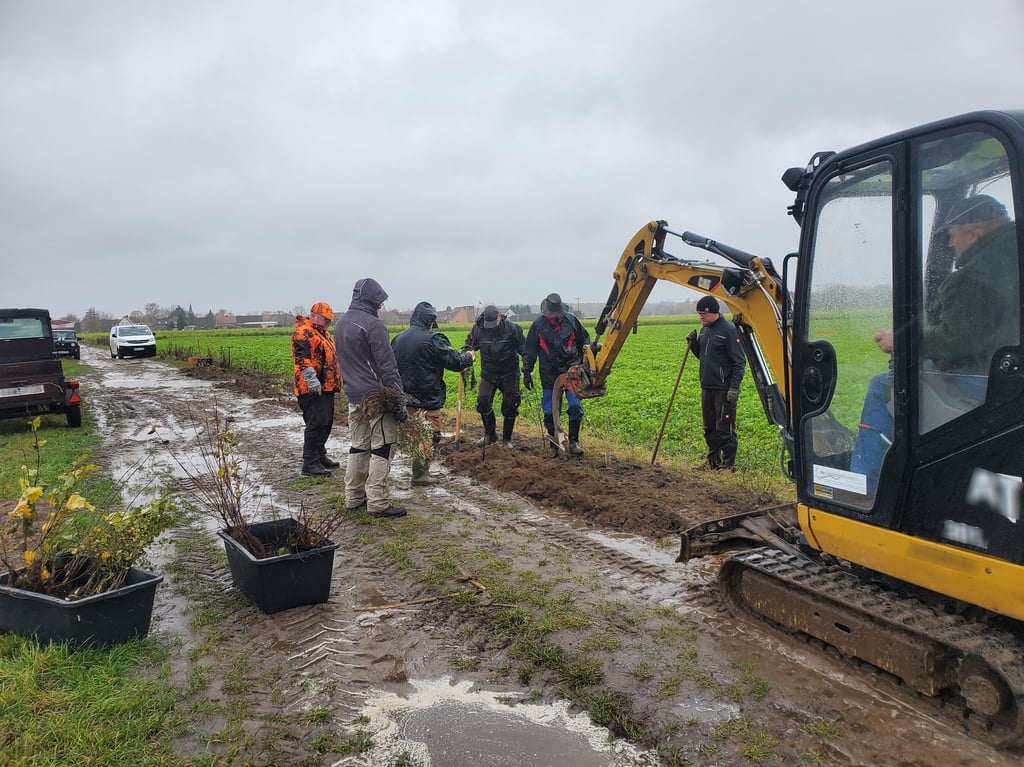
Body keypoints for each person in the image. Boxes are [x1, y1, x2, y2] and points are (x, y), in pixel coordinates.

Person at [851, 194, 1017, 487]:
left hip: (986, 381)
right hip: (1009, 377)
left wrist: (901, 340)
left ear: (972, 234)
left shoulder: (973, 277)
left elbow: (958, 341)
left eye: (952, 235)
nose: (950, 244)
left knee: (882, 386)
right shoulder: (1012, 254)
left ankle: (865, 485)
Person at [335, 278, 408, 519]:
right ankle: (378, 502)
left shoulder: (341, 323)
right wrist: (398, 400)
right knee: (383, 448)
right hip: (377, 398)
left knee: (358, 446)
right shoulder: (373, 325)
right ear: (373, 300)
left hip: (354, 396)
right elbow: (387, 367)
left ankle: (354, 497)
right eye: (380, 302)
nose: (381, 306)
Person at [391, 302, 475, 485]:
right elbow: (455, 362)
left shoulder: (398, 339)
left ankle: (418, 469)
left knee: (416, 435)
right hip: (427, 398)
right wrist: (469, 357)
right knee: (430, 436)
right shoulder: (434, 340)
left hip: (405, 397)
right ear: (430, 322)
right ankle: (420, 475)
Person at [521, 293, 590, 457]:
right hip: (549, 374)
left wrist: (586, 362)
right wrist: (527, 371)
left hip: (572, 371)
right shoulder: (538, 325)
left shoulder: (572, 321)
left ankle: (573, 442)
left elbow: (585, 342)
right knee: (550, 411)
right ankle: (554, 444)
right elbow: (530, 350)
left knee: (575, 406)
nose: (554, 317)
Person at [686, 295, 746, 472]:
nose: (701, 317)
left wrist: (734, 388)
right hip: (707, 386)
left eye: (703, 314)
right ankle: (713, 462)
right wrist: (694, 345)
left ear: (713, 312)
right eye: (699, 314)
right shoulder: (704, 331)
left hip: (723, 389)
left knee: (724, 429)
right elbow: (705, 357)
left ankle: (728, 466)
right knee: (709, 427)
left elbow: (739, 362)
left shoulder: (728, 331)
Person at [291, 301, 343, 477]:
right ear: (313, 316)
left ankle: (320, 456)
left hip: (327, 387)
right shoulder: (303, 332)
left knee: (325, 423)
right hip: (311, 388)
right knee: (316, 423)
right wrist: (312, 381)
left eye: (329, 320)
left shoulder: (323, 333)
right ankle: (310, 463)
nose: (328, 322)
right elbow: (301, 359)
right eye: (325, 319)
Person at [463, 305, 526, 449]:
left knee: (510, 406)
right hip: (488, 374)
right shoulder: (478, 329)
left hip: (509, 374)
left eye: (493, 323)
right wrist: (465, 356)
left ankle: (507, 440)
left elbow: (524, 349)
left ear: (499, 317)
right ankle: (490, 435)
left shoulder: (513, 329)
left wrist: (528, 369)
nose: (490, 327)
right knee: (483, 403)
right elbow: (469, 346)